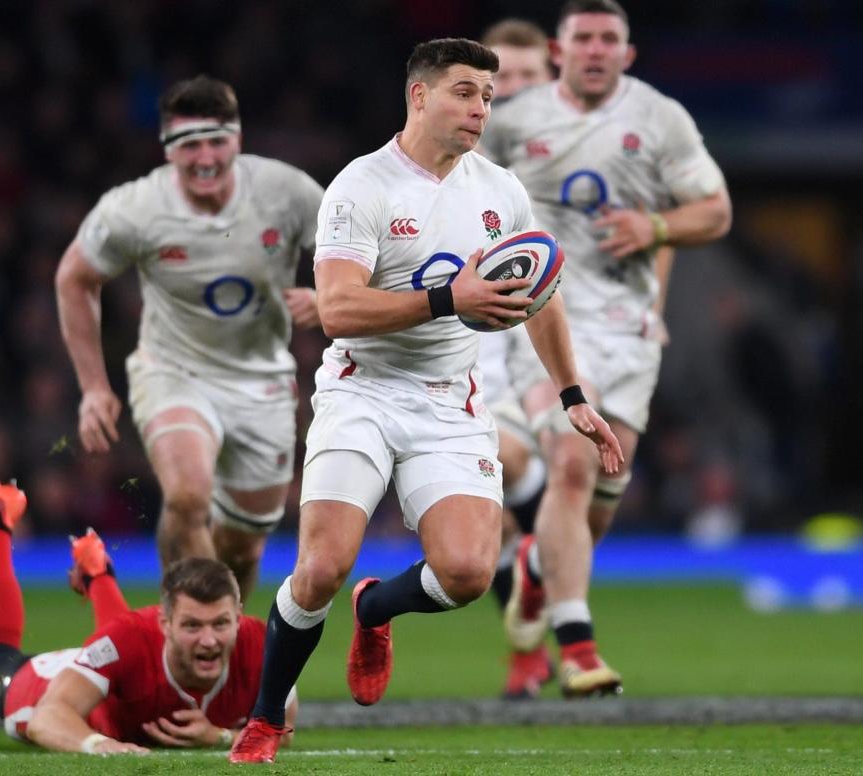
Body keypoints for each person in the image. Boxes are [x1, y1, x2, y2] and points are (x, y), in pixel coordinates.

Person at [228, 38, 624, 764]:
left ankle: (375, 609)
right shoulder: (362, 186)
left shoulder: (500, 190)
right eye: (466, 93)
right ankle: (264, 719)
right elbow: (340, 310)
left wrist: (572, 395)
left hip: (449, 401)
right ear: (420, 96)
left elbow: (542, 296)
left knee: (471, 572)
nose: (480, 110)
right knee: (319, 567)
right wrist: (450, 297)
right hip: (364, 393)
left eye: (487, 98)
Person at [481, 0, 732, 697]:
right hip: (544, 314)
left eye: (608, 39)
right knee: (569, 461)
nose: (594, 49)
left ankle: (536, 569)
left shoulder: (660, 118)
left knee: (598, 495)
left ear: (628, 52)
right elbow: (452, 190)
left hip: (627, 328)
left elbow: (714, 211)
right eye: (582, 37)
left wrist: (654, 224)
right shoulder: (512, 124)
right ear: (560, 51)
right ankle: (579, 647)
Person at [55, 76, 324, 602]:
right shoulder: (134, 207)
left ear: (238, 139)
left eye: (215, 141)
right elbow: (74, 278)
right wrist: (93, 387)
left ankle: (216, 639)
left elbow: (358, 257)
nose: (204, 157)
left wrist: (326, 299)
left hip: (262, 381)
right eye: (189, 145)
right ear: (168, 150)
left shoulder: (287, 192)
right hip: (173, 371)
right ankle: (203, 640)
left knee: (242, 550)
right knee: (186, 497)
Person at [0, 478, 294, 754]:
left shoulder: (265, 647)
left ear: (239, 616)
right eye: (192, 625)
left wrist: (220, 736)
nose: (209, 640)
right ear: (164, 623)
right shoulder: (131, 638)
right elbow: (48, 718)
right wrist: (100, 746)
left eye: (221, 624)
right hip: (66, 687)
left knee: (123, 651)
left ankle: (96, 573)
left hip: (119, 662)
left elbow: (286, 731)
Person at [478, 16, 558, 700]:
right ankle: (532, 647)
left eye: (532, 78)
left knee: (567, 489)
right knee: (494, 512)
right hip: (489, 347)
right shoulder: (463, 168)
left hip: (566, 342)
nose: (518, 93)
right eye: (506, 82)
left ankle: (550, 632)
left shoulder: (575, 163)